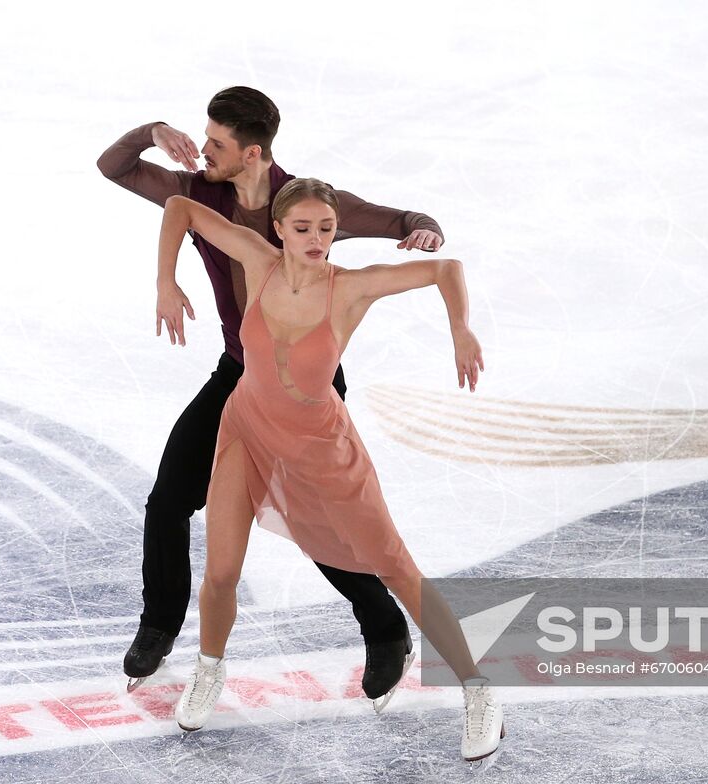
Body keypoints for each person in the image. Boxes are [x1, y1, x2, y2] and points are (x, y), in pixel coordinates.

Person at [97, 87, 446, 706]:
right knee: (169, 499)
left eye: (216, 143)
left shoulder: (304, 206)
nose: (203, 151)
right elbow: (114, 168)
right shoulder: (198, 190)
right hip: (237, 376)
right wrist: (152, 131)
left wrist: (424, 231)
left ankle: (386, 628)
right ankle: (159, 625)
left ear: (252, 152)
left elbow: (403, 221)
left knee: (316, 521)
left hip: (306, 388)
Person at [155, 179, 504, 761]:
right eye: (302, 228)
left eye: (326, 229)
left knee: (395, 567)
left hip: (321, 446)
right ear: (278, 230)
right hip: (246, 428)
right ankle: (209, 668)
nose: (316, 239)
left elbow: (446, 269)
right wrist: (166, 282)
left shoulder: (351, 288)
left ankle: (479, 689)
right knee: (221, 572)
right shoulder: (257, 259)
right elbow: (179, 207)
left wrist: (460, 328)